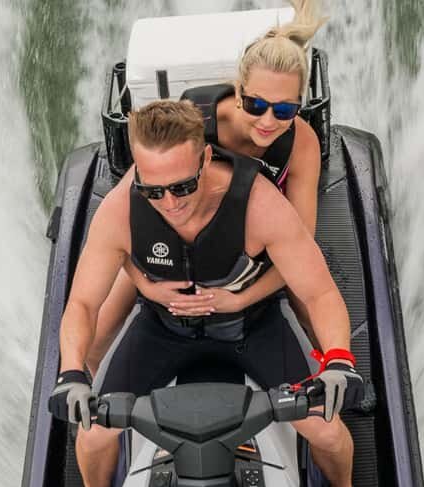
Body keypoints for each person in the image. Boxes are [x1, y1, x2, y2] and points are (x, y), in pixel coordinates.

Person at [49, 99, 385, 487]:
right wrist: (71, 374)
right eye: (153, 190)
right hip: (162, 329)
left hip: (251, 327)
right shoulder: (120, 211)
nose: (170, 202)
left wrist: (339, 362)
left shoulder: (259, 205)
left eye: (182, 186)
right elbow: (83, 303)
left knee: (327, 432)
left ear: (205, 158)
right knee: (92, 436)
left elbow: (321, 293)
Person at [87, 0, 327, 370]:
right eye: (256, 105)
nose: (267, 121)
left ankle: (334, 373)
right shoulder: (196, 118)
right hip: (184, 223)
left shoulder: (302, 144)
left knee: (308, 302)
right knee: (101, 327)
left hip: (261, 232)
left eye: (283, 110)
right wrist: (147, 285)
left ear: (298, 105)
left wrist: (241, 298)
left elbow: (302, 240)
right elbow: (145, 190)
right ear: (239, 91)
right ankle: (87, 386)